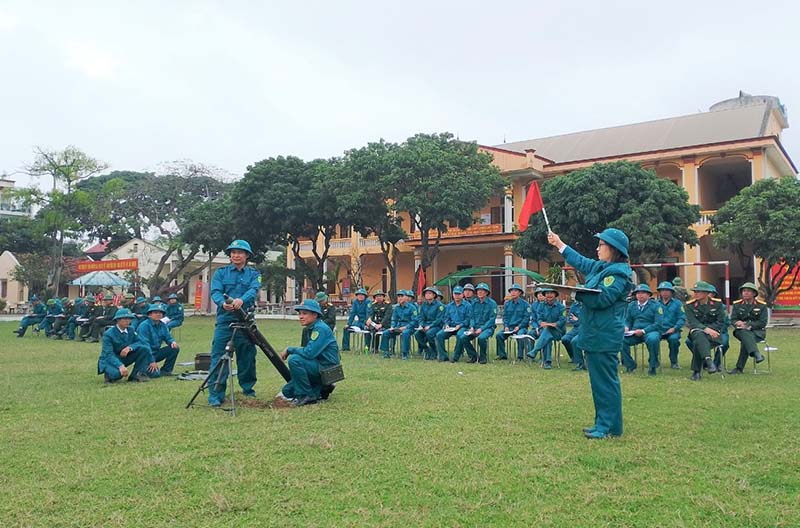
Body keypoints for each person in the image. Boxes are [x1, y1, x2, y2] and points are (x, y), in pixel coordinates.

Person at [548, 228, 633, 439]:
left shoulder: (618, 273)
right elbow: (581, 261)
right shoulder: (602, 267)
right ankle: (606, 424)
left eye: (601, 245)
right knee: (600, 382)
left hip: (604, 336)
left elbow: (602, 299)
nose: (597, 248)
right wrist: (559, 244)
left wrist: (573, 292)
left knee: (605, 382)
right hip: (596, 334)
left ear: (613, 249)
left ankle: (607, 427)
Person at [208, 239, 261, 407]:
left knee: (247, 357)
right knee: (219, 357)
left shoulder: (254, 274)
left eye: (239, 252)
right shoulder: (221, 273)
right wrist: (221, 303)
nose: (235, 255)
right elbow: (215, 291)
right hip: (225, 321)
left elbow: (253, 290)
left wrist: (241, 300)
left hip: (245, 321)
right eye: (233, 252)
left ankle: (247, 390)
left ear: (246, 255)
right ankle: (215, 394)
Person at [275, 299, 341, 407]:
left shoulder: (320, 329)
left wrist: (289, 349)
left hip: (328, 370)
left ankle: (307, 395)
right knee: (287, 391)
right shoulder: (310, 329)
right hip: (319, 366)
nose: (301, 316)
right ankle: (321, 389)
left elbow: (309, 353)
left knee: (294, 359)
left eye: (305, 313)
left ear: (315, 314)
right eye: (300, 314)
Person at [96, 308, 154, 383]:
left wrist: (130, 348)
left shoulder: (131, 330)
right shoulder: (109, 334)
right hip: (110, 359)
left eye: (129, 319)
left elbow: (140, 342)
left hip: (124, 356)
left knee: (144, 349)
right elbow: (108, 354)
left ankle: (136, 375)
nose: (128, 321)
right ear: (118, 320)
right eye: (125, 319)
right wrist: (120, 365)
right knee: (117, 375)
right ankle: (109, 374)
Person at [684, 281, 725, 381]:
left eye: (699, 292)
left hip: (714, 334)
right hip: (696, 332)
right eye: (695, 291)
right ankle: (709, 361)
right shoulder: (689, 305)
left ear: (706, 293)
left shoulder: (717, 304)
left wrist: (710, 330)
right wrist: (706, 330)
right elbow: (692, 322)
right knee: (698, 334)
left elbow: (720, 321)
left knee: (697, 342)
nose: (696, 294)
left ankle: (697, 372)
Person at [728, 282, 768, 374]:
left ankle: (739, 368)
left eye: (748, 291)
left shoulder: (761, 305)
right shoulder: (737, 305)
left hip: (757, 332)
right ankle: (756, 354)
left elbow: (762, 322)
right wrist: (736, 322)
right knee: (744, 333)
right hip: (740, 331)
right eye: (744, 291)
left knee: (746, 340)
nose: (745, 293)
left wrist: (748, 325)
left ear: (754, 293)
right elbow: (733, 319)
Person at [621, 284, 661, 375]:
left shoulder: (656, 305)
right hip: (635, 331)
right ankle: (630, 365)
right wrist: (626, 327)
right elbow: (627, 320)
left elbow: (658, 324)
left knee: (653, 339)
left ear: (648, 295)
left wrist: (643, 331)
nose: (640, 295)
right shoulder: (631, 305)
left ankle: (653, 365)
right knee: (621, 339)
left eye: (643, 293)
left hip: (650, 331)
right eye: (638, 293)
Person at [136, 303, 180, 377]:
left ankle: (166, 370)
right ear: (150, 315)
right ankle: (141, 370)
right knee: (155, 374)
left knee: (175, 348)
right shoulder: (144, 326)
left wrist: (172, 342)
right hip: (145, 355)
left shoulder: (162, 325)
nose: (158, 314)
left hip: (156, 352)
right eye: (156, 313)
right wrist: (152, 361)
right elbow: (145, 345)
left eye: (160, 313)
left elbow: (168, 337)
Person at [527, 287, 566, 369]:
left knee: (547, 332)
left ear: (555, 295)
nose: (549, 295)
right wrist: (541, 323)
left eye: (551, 293)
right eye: (547, 293)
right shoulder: (541, 306)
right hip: (544, 329)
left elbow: (562, 320)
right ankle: (547, 362)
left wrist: (553, 324)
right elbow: (539, 318)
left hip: (558, 332)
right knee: (547, 335)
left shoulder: (561, 307)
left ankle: (535, 351)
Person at [459, 283, 498, 364]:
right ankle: (473, 356)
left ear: (486, 292)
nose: (479, 292)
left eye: (482, 291)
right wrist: (472, 327)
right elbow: (472, 317)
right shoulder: (474, 303)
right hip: (475, 327)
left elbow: (491, 320)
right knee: (463, 337)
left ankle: (483, 357)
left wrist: (481, 329)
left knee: (482, 338)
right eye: (478, 291)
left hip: (487, 328)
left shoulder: (492, 304)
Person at [495, 284, 530, 361]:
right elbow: (505, 317)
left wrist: (519, 327)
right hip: (509, 327)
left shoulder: (525, 304)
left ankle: (520, 356)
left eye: (515, 291)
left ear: (520, 293)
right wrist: (506, 326)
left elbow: (526, 318)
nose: (513, 292)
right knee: (499, 335)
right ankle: (502, 355)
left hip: (521, 327)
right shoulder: (507, 304)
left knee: (520, 335)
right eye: (511, 291)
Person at [655, 281, 686, 369]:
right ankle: (654, 361)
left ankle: (674, 362)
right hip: (659, 329)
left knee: (674, 340)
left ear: (671, 292)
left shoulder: (678, 304)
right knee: (652, 339)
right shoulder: (655, 304)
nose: (664, 292)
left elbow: (682, 318)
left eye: (667, 290)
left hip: (672, 330)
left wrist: (674, 328)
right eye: (662, 290)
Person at [436, 286, 472, 362]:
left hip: (463, 326)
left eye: (459, 294)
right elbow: (446, 317)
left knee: (460, 335)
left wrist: (460, 325)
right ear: (453, 294)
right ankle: (443, 356)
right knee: (439, 335)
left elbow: (468, 319)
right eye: (455, 294)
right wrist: (446, 324)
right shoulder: (449, 306)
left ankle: (456, 356)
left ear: (462, 295)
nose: (457, 296)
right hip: (451, 327)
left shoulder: (468, 306)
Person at [380, 290, 418, 359]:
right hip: (398, 326)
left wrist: (406, 327)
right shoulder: (396, 308)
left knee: (405, 333)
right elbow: (394, 319)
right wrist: (392, 326)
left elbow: (414, 321)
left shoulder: (412, 308)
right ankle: (386, 352)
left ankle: (405, 353)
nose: (400, 298)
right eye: (399, 296)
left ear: (406, 297)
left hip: (409, 327)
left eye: (402, 296)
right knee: (386, 333)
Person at [415, 287, 445, 360]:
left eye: (429, 293)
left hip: (436, 326)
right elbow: (421, 317)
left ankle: (434, 351)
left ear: (434, 295)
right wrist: (421, 325)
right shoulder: (423, 305)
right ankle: (426, 349)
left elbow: (439, 319)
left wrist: (430, 326)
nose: (427, 295)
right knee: (417, 334)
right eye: (426, 293)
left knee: (429, 334)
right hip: (425, 325)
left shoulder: (440, 305)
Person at [342, 288, 371, 352]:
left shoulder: (368, 302)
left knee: (367, 330)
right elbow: (352, 313)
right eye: (359, 295)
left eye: (362, 295)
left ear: (365, 296)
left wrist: (367, 323)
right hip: (359, 322)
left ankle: (367, 347)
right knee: (346, 329)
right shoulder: (355, 302)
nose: (360, 296)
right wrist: (348, 324)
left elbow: (368, 313)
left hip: (366, 321)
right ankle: (345, 347)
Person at [561, 288, 584, 370]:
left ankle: (580, 363)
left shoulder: (589, 305)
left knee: (575, 341)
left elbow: (590, 320)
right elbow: (570, 319)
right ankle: (573, 357)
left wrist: (578, 319)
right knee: (565, 339)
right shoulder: (575, 305)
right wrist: (578, 321)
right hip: (576, 328)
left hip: (586, 328)